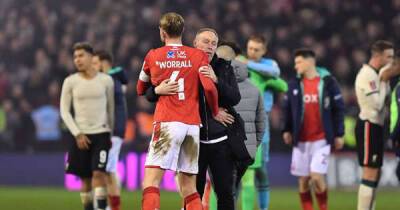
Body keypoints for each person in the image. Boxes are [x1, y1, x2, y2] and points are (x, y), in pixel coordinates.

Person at [144, 28, 241, 210]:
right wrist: (157, 90)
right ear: (195, 43)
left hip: (220, 140)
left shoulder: (224, 67)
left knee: (225, 192)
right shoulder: (183, 63)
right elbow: (148, 93)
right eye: (205, 41)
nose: (210, 46)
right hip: (195, 135)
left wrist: (217, 80)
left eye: (213, 43)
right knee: (192, 189)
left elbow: (235, 97)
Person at [136, 13, 222, 210]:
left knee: (151, 181)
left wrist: (157, 90)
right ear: (183, 31)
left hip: (167, 122)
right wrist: (215, 110)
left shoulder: (152, 55)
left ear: (162, 32)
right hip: (192, 126)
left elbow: (140, 89)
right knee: (190, 187)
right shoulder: (198, 56)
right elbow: (209, 88)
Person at [282, 48, 345, 210]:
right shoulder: (294, 84)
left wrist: (339, 133)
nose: (296, 66)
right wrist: (286, 130)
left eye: (299, 62)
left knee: (316, 177)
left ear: (310, 62)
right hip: (301, 140)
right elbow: (287, 109)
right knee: (303, 181)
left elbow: (338, 109)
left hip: (321, 139)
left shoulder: (328, 82)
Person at [235, 35, 287, 210]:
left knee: (261, 171)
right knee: (240, 172)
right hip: (240, 121)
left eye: (257, 49)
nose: (252, 52)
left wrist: (248, 65)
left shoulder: (268, 65)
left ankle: (263, 208)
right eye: (250, 48)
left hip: (261, 123)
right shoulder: (240, 68)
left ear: (264, 51)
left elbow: (279, 80)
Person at [60, 42, 114, 210]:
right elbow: (64, 111)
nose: (78, 60)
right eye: (75, 57)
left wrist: (110, 134)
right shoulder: (70, 82)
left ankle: (101, 208)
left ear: (91, 57)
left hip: (101, 134)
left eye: (81, 55)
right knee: (85, 179)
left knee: (99, 173)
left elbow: (110, 109)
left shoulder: (106, 81)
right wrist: (77, 133)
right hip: (80, 135)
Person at [217, 44, 266, 210]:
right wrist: (255, 143)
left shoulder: (217, 84)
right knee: (245, 181)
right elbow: (261, 121)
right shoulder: (255, 88)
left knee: (222, 188)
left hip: (223, 144)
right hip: (248, 146)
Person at [354, 40, 394, 210]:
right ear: (378, 57)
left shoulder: (376, 74)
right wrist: (384, 80)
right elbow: (377, 105)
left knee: (376, 173)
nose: (392, 61)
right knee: (370, 172)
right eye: (389, 57)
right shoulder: (368, 75)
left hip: (377, 127)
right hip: (368, 126)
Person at [93, 50, 128, 210]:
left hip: (113, 130)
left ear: (104, 62)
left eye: (95, 63)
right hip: (111, 130)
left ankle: (113, 207)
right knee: (107, 170)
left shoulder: (110, 80)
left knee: (108, 170)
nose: (93, 66)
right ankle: (109, 206)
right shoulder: (113, 79)